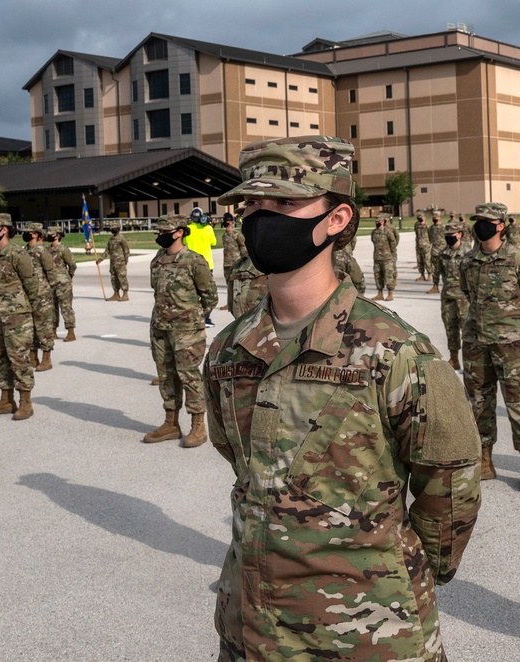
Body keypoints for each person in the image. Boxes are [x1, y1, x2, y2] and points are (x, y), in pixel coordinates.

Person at [205, 135, 481, 661]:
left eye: (284, 203)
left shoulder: (396, 351)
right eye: (253, 205)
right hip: (252, 626)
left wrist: (390, 564)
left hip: (367, 634)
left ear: (336, 219)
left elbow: (449, 484)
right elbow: (241, 462)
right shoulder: (229, 349)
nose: (262, 219)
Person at [460, 202, 520, 492]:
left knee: (519, 407)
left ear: (500, 225)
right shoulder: (468, 261)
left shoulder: (519, 259)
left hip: (513, 348)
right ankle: (485, 461)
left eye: (486, 221)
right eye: (477, 220)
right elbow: (466, 293)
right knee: (479, 405)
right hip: (476, 343)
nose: (480, 225)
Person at [143, 215, 218, 448]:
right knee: (166, 376)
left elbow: (210, 296)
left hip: (187, 331)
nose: (159, 235)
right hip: (160, 327)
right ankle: (171, 424)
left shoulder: (194, 261)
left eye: (164, 230)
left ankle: (198, 425)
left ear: (179, 232)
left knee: (189, 376)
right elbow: (157, 291)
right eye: (158, 230)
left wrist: (192, 317)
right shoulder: (157, 260)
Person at [0, 213, 39, 420]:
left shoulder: (18, 254)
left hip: (17, 318)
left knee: (19, 359)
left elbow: (33, 288)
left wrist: (34, 320)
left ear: (4, 229)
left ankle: (26, 402)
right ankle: (6, 399)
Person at [24, 223, 58, 371]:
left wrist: (47, 292)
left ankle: (46, 359)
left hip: (42, 295)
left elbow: (52, 274)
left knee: (43, 328)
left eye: (29, 232)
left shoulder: (43, 251)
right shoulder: (24, 251)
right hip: (27, 295)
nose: (25, 234)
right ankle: (32, 357)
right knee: (30, 328)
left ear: (36, 234)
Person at [438, 219, 469, 370]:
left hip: (464, 298)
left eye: (452, 234)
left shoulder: (468, 253)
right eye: (447, 234)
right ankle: (454, 359)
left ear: (460, 235)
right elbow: (441, 273)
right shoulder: (442, 254)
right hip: (448, 297)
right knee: (451, 329)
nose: (449, 237)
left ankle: (469, 362)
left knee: (467, 330)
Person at [184, 206, 218, 326]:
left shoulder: (188, 228)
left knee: (191, 292)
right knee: (207, 292)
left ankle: (192, 317)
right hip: (207, 264)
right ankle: (206, 318)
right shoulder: (208, 228)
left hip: (190, 263)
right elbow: (214, 243)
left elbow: (184, 242)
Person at [46, 226, 77, 342]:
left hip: (63, 283)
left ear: (58, 236)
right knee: (52, 308)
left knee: (66, 307)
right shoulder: (47, 250)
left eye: (51, 234)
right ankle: (53, 331)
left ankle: (71, 332)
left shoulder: (63, 249)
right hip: (50, 283)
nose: (49, 236)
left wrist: (69, 276)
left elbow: (72, 265)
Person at [220, 211, 247, 313]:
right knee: (229, 285)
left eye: (227, 221)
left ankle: (238, 304)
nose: (225, 222)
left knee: (237, 286)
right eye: (224, 220)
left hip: (236, 263)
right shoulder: (224, 235)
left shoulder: (237, 235)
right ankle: (229, 304)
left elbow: (243, 248)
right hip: (226, 263)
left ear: (231, 222)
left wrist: (244, 261)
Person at [97, 225, 131, 301]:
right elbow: (107, 251)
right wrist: (100, 259)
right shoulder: (111, 239)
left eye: (114, 228)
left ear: (118, 229)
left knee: (122, 277)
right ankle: (116, 294)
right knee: (113, 278)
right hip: (112, 262)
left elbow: (126, 250)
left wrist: (125, 261)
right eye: (111, 228)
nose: (112, 229)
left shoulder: (121, 238)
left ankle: (125, 294)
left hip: (120, 262)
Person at [371, 212, 398, 300]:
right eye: (376, 221)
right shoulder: (374, 232)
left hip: (387, 258)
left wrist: (393, 255)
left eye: (379, 221)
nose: (377, 222)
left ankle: (390, 293)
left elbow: (393, 243)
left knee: (388, 275)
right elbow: (373, 242)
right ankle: (380, 293)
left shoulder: (388, 232)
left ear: (382, 222)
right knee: (378, 275)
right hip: (377, 258)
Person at [426, 210, 446, 294]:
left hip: (443, 252)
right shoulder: (431, 228)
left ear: (439, 217)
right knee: (435, 271)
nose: (434, 218)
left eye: (436, 217)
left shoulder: (444, 227)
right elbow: (430, 239)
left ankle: (447, 288)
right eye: (433, 217)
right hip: (434, 251)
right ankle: (435, 287)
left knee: (446, 271)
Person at [414, 211, 431, 281]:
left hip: (425, 245)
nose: (420, 219)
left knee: (427, 260)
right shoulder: (416, 225)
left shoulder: (427, 226)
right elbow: (416, 233)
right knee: (419, 260)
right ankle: (422, 275)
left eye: (421, 217)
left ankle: (430, 274)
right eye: (419, 217)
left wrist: (429, 243)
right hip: (418, 245)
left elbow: (430, 235)